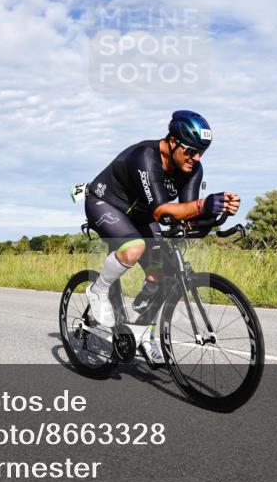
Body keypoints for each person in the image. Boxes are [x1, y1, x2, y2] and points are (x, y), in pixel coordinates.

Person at [84, 110, 240, 327]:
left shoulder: (192, 169)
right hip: (106, 204)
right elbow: (160, 211)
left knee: (165, 274)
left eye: (202, 153)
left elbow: (186, 215)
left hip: (141, 215)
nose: (196, 158)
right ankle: (97, 290)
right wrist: (204, 204)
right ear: (173, 142)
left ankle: (142, 335)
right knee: (134, 248)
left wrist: (217, 212)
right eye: (192, 151)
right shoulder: (145, 156)